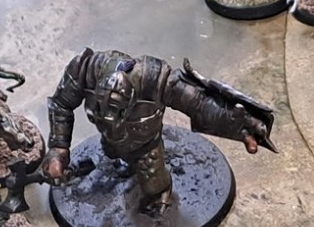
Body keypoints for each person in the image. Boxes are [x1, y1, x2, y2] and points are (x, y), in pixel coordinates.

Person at [43, 49, 274, 214]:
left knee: (154, 184)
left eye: (117, 112)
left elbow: (198, 103)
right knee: (112, 150)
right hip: (111, 142)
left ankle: (159, 195)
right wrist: (58, 148)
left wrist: (234, 122)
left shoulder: (155, 79)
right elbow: (60, 103)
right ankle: (121, 158)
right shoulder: (84, 70)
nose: (112, 120)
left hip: (145, 143)